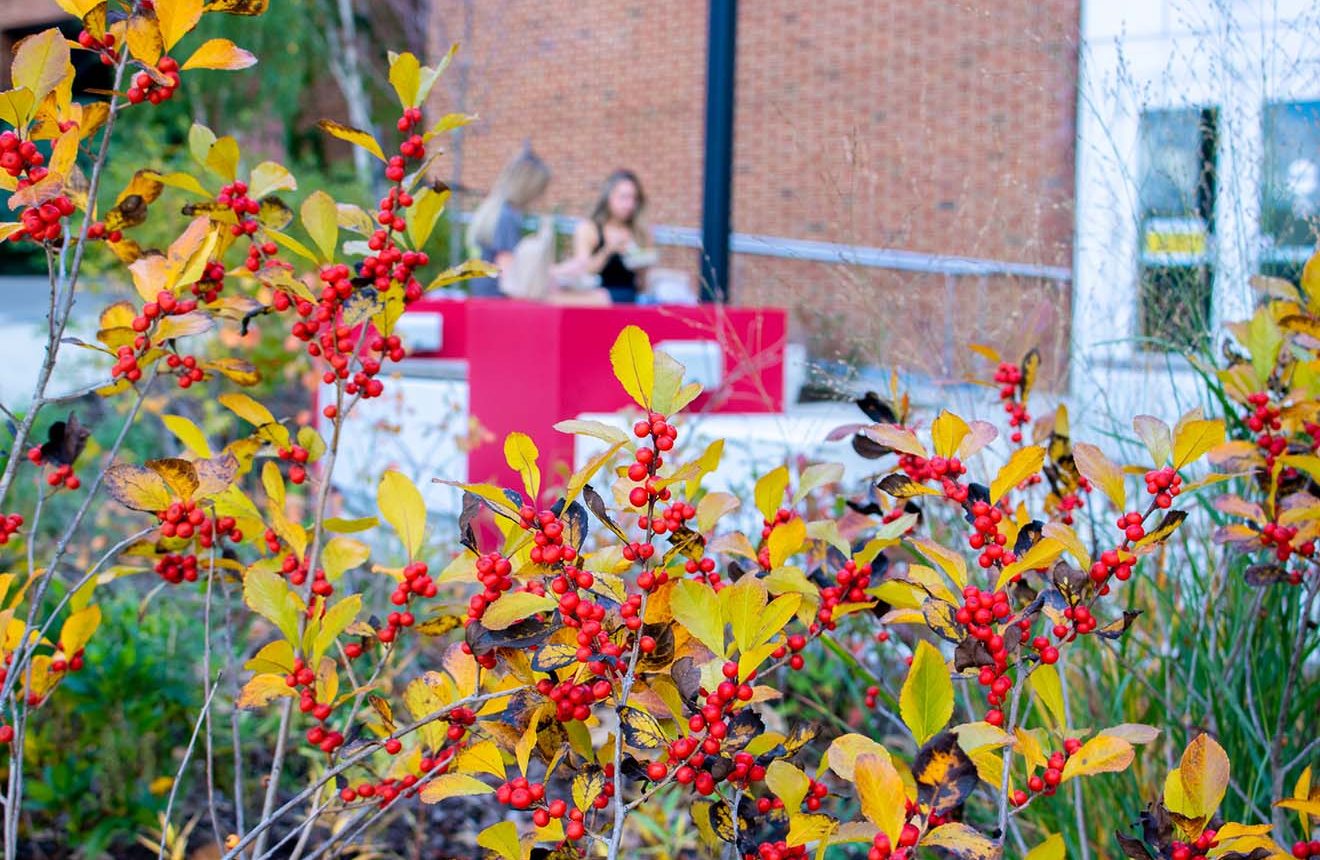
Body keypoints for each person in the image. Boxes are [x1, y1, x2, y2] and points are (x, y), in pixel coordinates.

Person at [465, 147, 551, 297]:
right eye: (540, 190)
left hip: (482, 295)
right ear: (529, 188)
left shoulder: (494, 211)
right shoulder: (507, 217)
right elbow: (508, 273)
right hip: (498, 299)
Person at [567, 169, 655, 304]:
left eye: (634, 198)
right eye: (624, 197)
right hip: (592, 298)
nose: (630, 205)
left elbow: (642, 288)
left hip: (626, 300)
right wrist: (608, 250)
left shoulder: (640, 232)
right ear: (609, 197)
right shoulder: (589, 229)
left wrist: (641, 266)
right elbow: (582, 270)